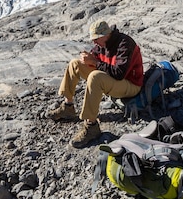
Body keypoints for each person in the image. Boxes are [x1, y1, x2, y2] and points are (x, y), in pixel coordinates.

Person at [47, 19, 144, 148]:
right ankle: (68, 106)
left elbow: (119, 74)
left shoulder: (125, 44)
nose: (94, 42)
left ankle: (91, 126)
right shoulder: (102, 44)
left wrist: (95, 62)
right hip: (114, 80)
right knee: (75, 63)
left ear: (105, 35)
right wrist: (88, 59)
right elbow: (95, 55)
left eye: (96, 39)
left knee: (95, 76)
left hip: (131, 85)